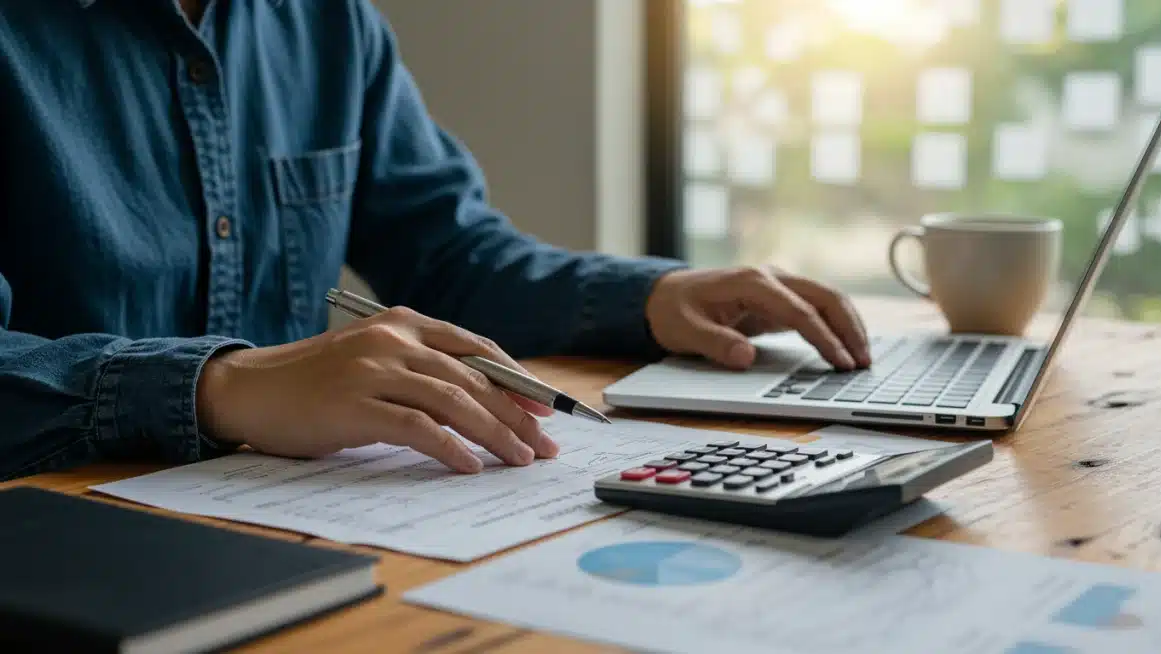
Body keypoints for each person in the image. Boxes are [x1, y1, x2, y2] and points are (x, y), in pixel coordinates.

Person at [0, 0, 870, 481]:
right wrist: (221, 386)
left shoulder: (330, 24)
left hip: (279, 520)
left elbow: (450, 256)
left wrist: (648, 297)